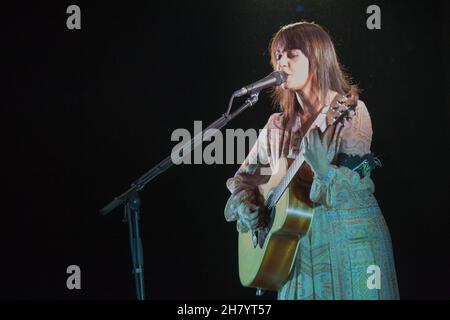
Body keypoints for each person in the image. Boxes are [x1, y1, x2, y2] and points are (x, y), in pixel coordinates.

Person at [224, 21, 399, 300]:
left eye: (291, 54)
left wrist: (322, 170)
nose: (282, 62)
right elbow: (244, 179)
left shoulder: (350, 111)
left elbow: (358, 187)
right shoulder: (276, 126)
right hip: (296, 257)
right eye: (278, 56)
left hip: (348, 251)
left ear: (317, 58)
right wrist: (248, 205)